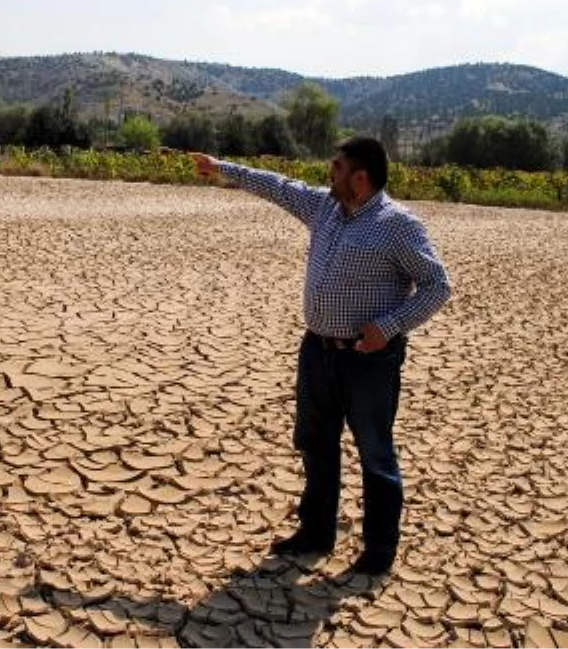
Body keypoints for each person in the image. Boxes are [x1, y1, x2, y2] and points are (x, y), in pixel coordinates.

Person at [189, 137, 450, 576]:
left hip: (369, 361)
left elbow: (437, 285)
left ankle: (378, 552)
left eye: (337, 167)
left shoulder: (398, 225)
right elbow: (277, 186)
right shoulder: (326, 208)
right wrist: (221, 167)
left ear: (360, 177)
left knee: (375, 453)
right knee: (315, 444)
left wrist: (387, 328)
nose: (329, 173)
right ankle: (316, 532)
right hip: (318, 351)